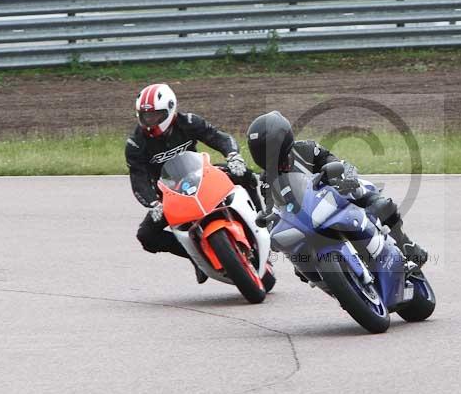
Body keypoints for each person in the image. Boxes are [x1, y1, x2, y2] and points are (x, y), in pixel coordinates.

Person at [246, 110, 428, 269]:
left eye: (269, 149)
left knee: (380, 205)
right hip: (308, 220)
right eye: (261, 151)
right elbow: (272, 211)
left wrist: (345, 177)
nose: (266, 155)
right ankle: (340, 285)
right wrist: (269, 222)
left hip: (338, 197)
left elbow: (336, 162)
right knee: (298, 260)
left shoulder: (307, 149)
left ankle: (405, 245)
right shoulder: (267, 180)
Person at [126, 83, 261, 284]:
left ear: (170, 109)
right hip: (169, 193)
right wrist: (153, 204)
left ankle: (262, 219)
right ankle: (197, 257)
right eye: (145, 116)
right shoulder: (136, 143)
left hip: (202, 175)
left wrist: (233, 156)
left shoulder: (188, 122)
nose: (150, 121)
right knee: (146, 236)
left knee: (245, 175)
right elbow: (138, 179)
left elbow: (218, 137)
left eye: (155, 115)